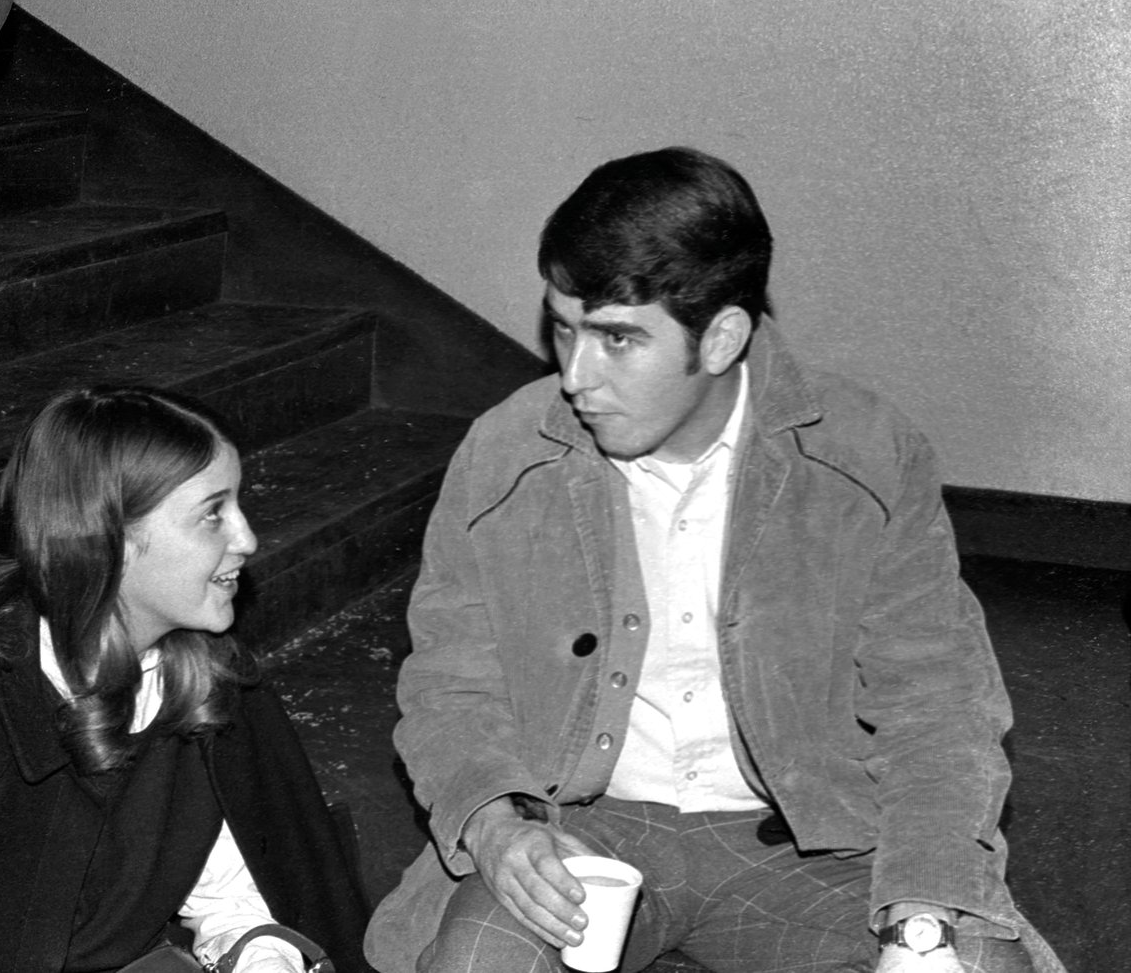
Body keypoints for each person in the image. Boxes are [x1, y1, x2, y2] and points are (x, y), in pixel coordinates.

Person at [363, 148, 1065, 973]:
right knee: (476, 961)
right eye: (564, 328)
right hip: (585, 830)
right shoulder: (505, 453)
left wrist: (922, 912)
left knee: (975, 966)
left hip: (814, 845)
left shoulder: (865, 453)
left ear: (723, 337)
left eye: (617, 338)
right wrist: (495, 825)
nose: (576, 375)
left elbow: (938, 704)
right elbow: (449, 682)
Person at [0, 386, 370, 972]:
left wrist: (262, 954)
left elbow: (235, 892)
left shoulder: (210, 681)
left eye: (238, 505)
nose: (247, 539)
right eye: (213, 513)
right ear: (111, 538)